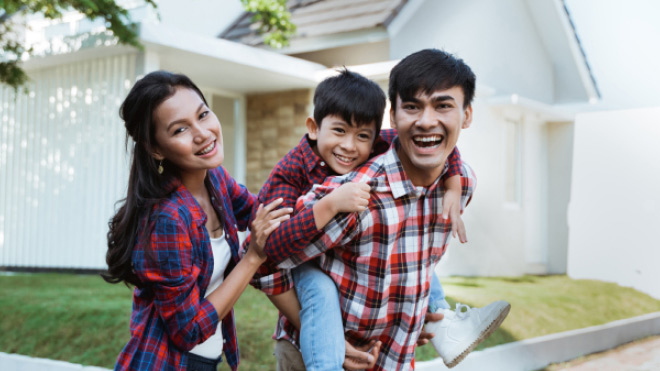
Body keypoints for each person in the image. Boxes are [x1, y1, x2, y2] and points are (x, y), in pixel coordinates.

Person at [272, 49, 510, 370]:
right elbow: (267, 261)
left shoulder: (461, 182)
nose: (426, 121)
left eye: (443, 106)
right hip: (317, 351)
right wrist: (328, 338)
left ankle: (445, 328)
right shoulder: (354, 195)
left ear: (467, 115)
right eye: (412, 107)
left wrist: (414, 315)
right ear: (394, 117)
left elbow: (411, 267)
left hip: (391, 358)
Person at [102, 71, 291, 371]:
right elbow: (187, 330)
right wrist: (253, 257)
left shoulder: (215, 180)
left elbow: (265, 213)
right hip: (167, 363)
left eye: (203, 114)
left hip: (205, 359)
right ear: (155, 149)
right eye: (180, 130)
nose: (202, 133)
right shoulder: (168, 219)